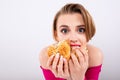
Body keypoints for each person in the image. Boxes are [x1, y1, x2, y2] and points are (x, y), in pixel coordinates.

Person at [39, 3, 103, 80]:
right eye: (64, 30)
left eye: (81, 30)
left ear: (88, 32)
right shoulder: (46, 56)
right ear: (56, 35)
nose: (73, 38)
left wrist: (78, 78)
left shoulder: (95, 55)